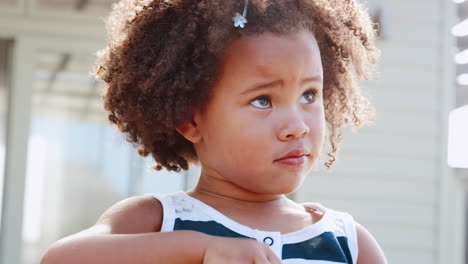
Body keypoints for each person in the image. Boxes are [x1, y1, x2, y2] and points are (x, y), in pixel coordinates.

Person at [41, 0, 387, 263]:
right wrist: (201, 248)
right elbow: (61, 258)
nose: (296, 126)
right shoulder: (161, 220)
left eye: (309, 95)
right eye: (263, 100)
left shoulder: (348, 242)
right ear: (190, 120)